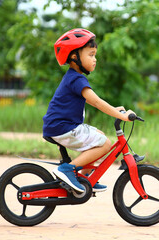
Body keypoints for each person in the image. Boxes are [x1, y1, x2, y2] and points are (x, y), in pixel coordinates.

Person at [43, 28, 135, 193]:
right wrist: (123, 116)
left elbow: (94, 101)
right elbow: (97, 102)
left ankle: (84, 178)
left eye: (95, 55)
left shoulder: (74, 77)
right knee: (105, 143)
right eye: (91, 55)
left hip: (61, 126)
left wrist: (114, 109)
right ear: (74, 56)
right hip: (63, 127)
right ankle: (68, 170)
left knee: (98, 135)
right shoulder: (76, 79)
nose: (95, 59)